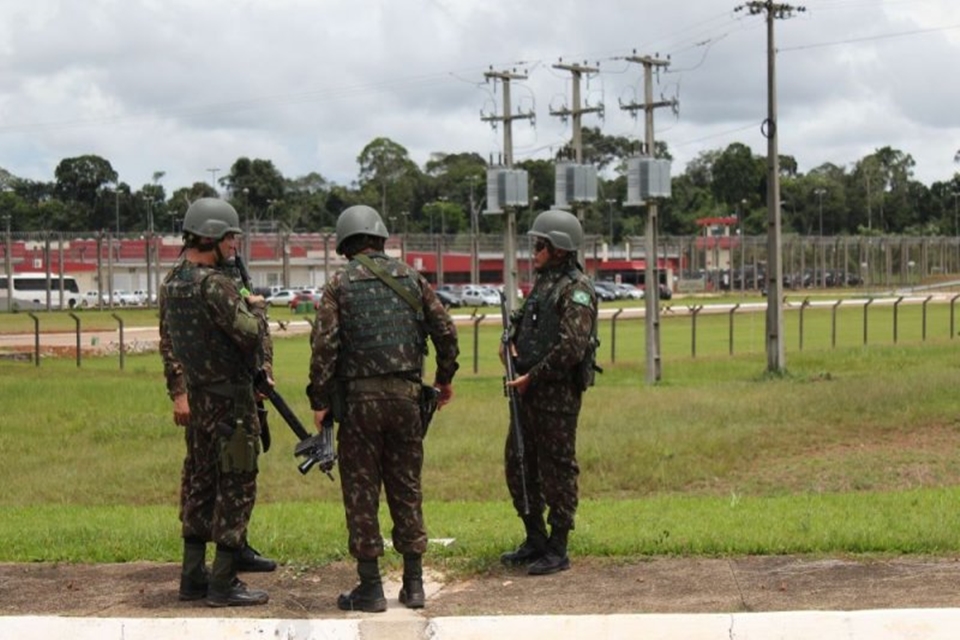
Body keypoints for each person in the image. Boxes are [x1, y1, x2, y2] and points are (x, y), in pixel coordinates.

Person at [307, 205, 460, 612]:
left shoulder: (339, 285)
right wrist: (444, 379)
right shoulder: (412, 278)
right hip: (408, 401)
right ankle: (413, 586)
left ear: (345, 243)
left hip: (359, 406)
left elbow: (325, 347)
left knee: (362, 493)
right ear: (380, 237)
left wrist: (319, 401)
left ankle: (371, 588)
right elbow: (445, 331)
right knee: (406, 488)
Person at [158, 197, 270, 607]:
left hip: (202, 400)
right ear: (211, 238)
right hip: (231, 405)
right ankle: (223, 583)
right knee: (238, 485)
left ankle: (192, 577)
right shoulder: (215, 285)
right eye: (229, 238)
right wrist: (257, 310)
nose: (234, 245)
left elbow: (171, 342)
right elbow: (248, 334)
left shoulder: (173, 284)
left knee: (201, 484)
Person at [500, 209, 598, 576]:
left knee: (556, 469)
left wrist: (533, 376)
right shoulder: (543, 284)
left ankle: (558, 546)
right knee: (519, 464)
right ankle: (534, 538)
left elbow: (571, 347)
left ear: (559, 248)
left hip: (555, 397)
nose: (534, 251)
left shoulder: (577, 290)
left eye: (541, 244)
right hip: (526, 394)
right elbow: (520, 322)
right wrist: (509, 342)